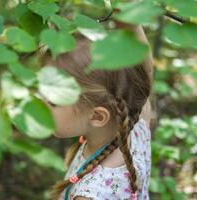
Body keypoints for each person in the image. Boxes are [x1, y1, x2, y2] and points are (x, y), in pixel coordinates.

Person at [39, 19, 153, 200]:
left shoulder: (90, 194)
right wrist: (124, 12)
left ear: (98, 116)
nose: (38, 103)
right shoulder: (135, 121)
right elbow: (144, 72)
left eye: (52, 101)